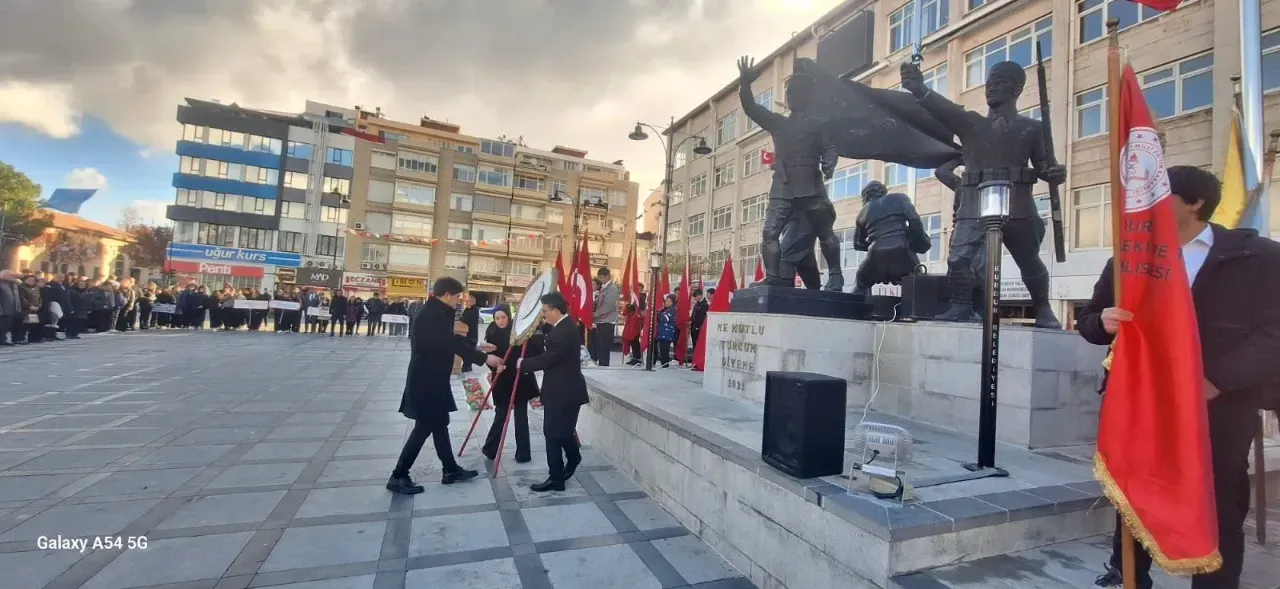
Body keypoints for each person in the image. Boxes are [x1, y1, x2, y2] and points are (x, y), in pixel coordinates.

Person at [1078, 166, 1280, 589]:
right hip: (1140, 400)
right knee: (1133, 484)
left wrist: (1217, 380)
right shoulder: (1129, 256)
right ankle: (1126, 573)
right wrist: (1103, 321)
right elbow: (1089, 321)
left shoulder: (1258, 257)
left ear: (1195, 202)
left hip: (1218, 405)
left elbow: (1273, 334)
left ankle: (1216, 582)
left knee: (1219, 496)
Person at [388, 277, 502, 495]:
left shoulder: (436, 312)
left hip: (433, 379)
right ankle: (398, 475)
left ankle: (450, 470)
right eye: (457, 297)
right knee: (423, 428)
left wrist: (477, 346)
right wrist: (482, 358)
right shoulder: (433, 314)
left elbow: (448, 339)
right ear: (447, 295)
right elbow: (448, 342)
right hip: (426, 381)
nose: (459, 301)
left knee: (440, 424)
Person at [518, 292, 589, 492]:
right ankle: (574, 457)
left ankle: (556, 478)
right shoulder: (562, 327)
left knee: (552, 434)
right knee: (562, 432)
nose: (543, 315)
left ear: (556, 311)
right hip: (562, 389)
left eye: (545, 311)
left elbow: (548, 359)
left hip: (563, 392)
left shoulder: (563, 332)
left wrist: (523, 364)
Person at [481, 305, 542, 464]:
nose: (501, 321)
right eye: (497, 318)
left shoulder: (520, 331)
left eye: (504, 317)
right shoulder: (491, 332)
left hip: (520, 378)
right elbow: (489, 356)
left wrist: (528, 350)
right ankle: (490, 449)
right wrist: (494, 365)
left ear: (509, 317)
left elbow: (534, 352)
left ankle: (523, 453)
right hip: (501, 379)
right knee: (500, 415)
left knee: (521, 416)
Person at [623, 283, 646, 366]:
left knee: (635, 339)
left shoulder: (642, 298)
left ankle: (638, 357)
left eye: (639, 288)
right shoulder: (631, 298)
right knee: (632, 340)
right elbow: (627, 311)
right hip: (631, 321)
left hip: (637, 322)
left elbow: (642, 311)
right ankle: (635, 357)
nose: (637, 290)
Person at [459, 294, 480, 371]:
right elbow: (462, 318)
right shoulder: (467, 309)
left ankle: (467, 367)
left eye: (467, 301)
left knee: (469, 351)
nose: (466, 302)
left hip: (472, 335)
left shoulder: (475, 310)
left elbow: (467, 320)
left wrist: (462, 320)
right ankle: (466, 366)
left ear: (473, 302)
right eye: (465, 301)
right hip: (465, 334)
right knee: (465, 351)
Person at [656, 294, 677, 368]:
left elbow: (666, 318)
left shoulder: (672, 310)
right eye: (666, 300)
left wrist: (658, 313)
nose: (667, 302)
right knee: (662, 349)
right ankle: (664, 363)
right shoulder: (664, 309)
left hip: (667, 333)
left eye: (669, 301)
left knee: (665, 349)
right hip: (662, 332)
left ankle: (665, 364)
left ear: (673, 302)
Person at [0, 270, 20, 345]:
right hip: (3, 310)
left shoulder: (11, 284)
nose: (13, 277)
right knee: (2, 326)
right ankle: (1, 340)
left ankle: (3, 339)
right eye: (11, 276)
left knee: (6, 326)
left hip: (10, 309)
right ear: (4, 276)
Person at [690, 288, 708, 360]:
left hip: (699, 328)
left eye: (696, 296)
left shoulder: (705, 304)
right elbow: (693, 315)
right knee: (694, 344)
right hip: (693, 328)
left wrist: (700, 326)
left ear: (700, 295)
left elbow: (703, 317)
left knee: (699, 345)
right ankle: (695, 360)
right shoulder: (697, 304)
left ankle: (698, 360)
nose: (695, 298)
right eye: (694, 297)